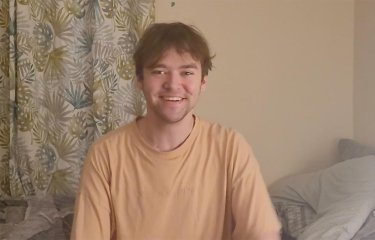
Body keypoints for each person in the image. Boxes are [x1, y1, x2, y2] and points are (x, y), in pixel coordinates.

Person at [71, 22, 281, 240]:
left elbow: (262, 233)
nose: (173, 84)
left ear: (202, 82)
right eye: (159, 71)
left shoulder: (231, 147)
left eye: (187, 72)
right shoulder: (105, 154)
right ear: (140, 81)